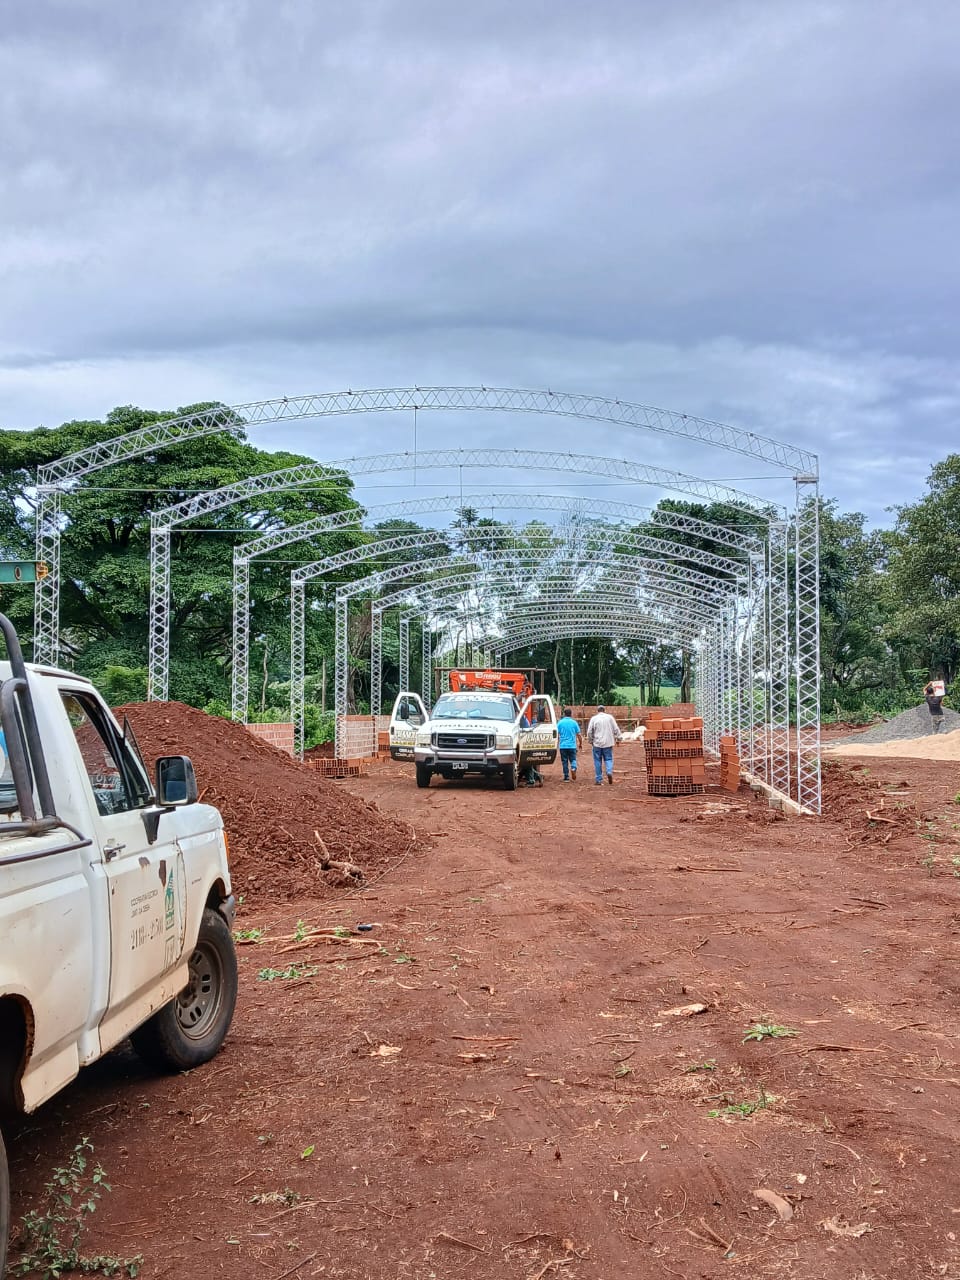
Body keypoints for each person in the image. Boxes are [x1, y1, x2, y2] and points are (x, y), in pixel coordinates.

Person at [586, 704, 622, 786]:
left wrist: (590, 740)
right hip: (608, 743)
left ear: (597, 711)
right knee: (608, 758)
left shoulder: (594, 719)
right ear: (604, 710)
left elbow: (589, 732)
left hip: (597, 743)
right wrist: (618, 738)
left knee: (597, 760)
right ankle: (609, 771)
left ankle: (598, 779)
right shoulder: (610, 718)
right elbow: (616, 728)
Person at [556, 707, 583, 782]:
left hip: (563, 746)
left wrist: (556, 743)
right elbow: (579, 735)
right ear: (571, 714)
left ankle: (566, 777)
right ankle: (573, 768)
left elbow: (556, 734)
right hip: (572, 746)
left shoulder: (560, 723)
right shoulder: (574, 723)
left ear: (564, 714)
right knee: (573, 759)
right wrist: (580, 743)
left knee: (564, 761)